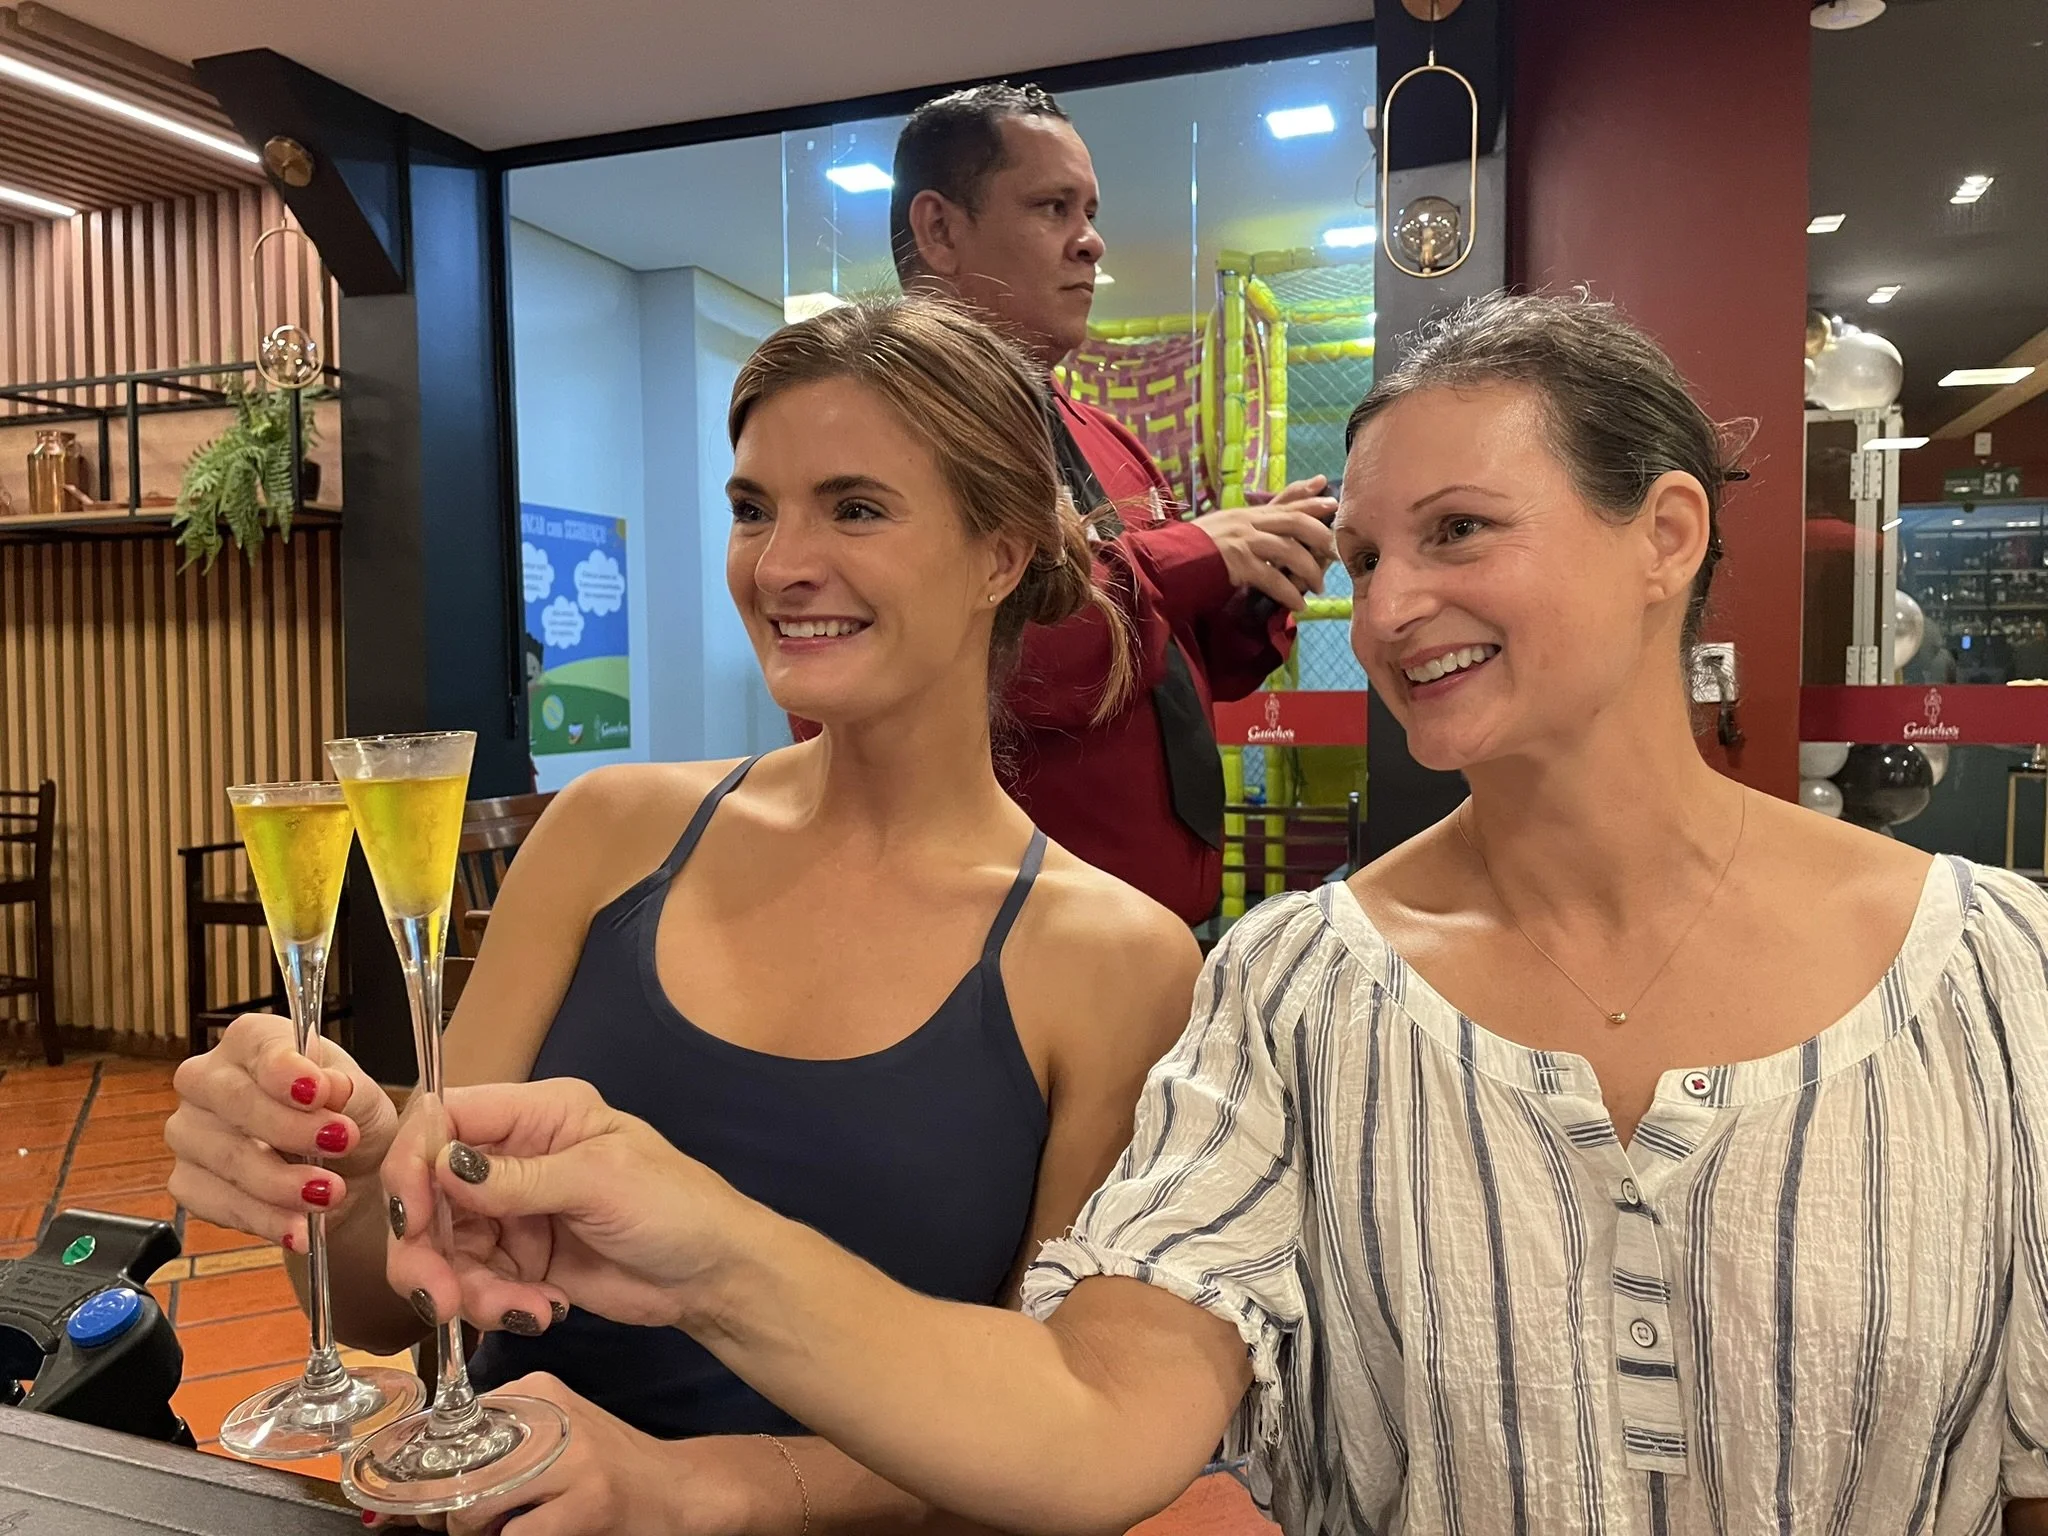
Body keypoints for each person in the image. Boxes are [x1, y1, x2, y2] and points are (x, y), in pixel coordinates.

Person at [388, 291, 2048, 1535]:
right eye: (1367, 553)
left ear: (1661, 534)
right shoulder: (1290, 992)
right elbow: (1104, 1408)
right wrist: (705, 1251)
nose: (1390, 607)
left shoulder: (1992, 975)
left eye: (1459, 533)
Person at [166, 298, 1200, 1534]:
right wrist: (320, 1161)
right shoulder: (611, 835)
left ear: (999, 555)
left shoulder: (1113, 961)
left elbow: (1060, 1434)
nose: (778, 564)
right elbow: (399, 1302)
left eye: (855, 507)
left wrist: (705, 1490)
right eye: (753, 507)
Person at [791, 83, 1338, 927]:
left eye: (1089, 210)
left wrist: (1255, 582)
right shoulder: (858, 424)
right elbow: (971, 664)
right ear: (938, 229)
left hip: (1158, 935)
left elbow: (1160, 674)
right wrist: (1193, 555)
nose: (1090, 242)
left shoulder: (1105, 438)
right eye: (1053, 207)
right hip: (985, 952)